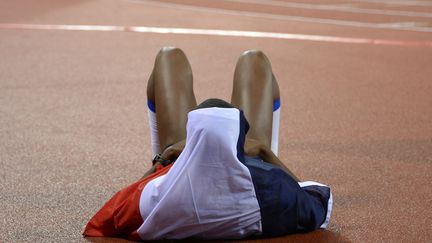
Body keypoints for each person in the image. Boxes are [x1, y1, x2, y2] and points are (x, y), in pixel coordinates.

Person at [83, 47, 332, 240]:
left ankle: (201, 148)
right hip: (254, 179)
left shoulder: (155, 201)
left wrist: (162, 160)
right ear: (240, 139)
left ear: (191, 141)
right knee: (254, 59)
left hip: (180, 181)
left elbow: (104, 220)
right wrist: (266, 153)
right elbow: (313, 197)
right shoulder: (276, 192)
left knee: (169, 56)